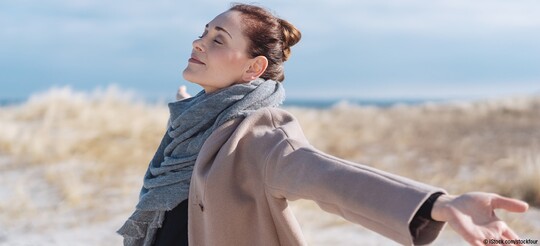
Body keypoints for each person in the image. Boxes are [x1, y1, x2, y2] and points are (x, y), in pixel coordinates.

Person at [118, 3, 529, 246]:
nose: (199, 42)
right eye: (203, 33)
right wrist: (189, 114)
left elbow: (332, 178)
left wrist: (438, 205)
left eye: (218, 39)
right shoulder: (194, 121)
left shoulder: (260, 134)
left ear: (253, 67)